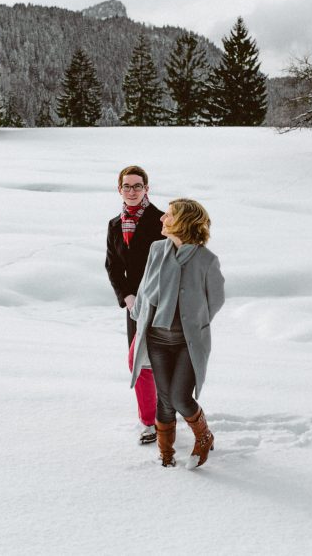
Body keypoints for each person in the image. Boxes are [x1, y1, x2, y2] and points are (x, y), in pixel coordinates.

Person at [129, 198, 225, 468]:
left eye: (168, 215)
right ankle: (167, 455)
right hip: (157, 338)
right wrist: (139, 316)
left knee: (181, 397)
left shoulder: (206, 259)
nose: (162, 219)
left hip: (187, 342)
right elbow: (145, 286)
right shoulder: (157, 249)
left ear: (183, 221)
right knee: (165, 399)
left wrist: (195, 322)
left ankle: (204, 436)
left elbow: (215, 299)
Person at [105, 166, 165, 445]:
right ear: (119, 189)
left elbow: (172, 264)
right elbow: (113, 266)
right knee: (139, 364)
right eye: (127, 186)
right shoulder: (115, 225)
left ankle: (170, 415)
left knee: (165, 363)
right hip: (135, 307)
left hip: (163, 304)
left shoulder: (163, 220)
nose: (132, 191)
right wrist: (127, 296)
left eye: (137, 186)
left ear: (147, 189)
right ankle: (148, 422)